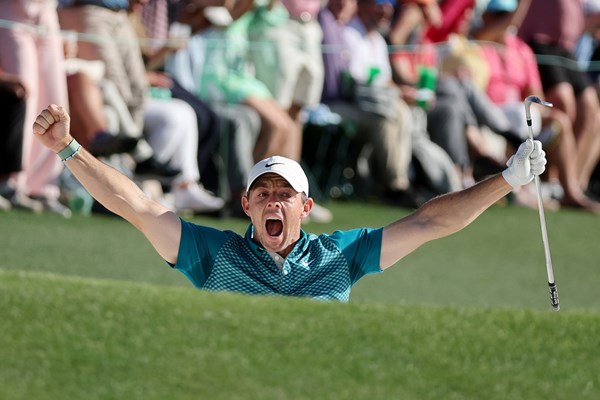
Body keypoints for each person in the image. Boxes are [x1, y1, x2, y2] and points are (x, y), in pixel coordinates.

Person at [32, 104, 547, 301]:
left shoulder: (341, 257)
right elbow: (136, 205)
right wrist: (68, 149)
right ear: (247, 205)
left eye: (285, 195)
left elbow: (429, 222)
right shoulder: (212, 255)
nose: (273, 202)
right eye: (264, 195)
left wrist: (506, 178)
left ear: (306, 207)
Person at [472, 0, 600, 212]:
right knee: (561, 102)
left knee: (564, 118)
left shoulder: (521, 49)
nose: (503, 21)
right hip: (491, 113)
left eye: (506, 14)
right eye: (497, 15)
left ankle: (567, 188)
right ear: (486, 17)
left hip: (518, 115)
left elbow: (535, 94)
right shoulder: (480, 41)